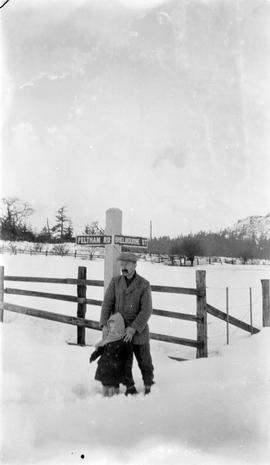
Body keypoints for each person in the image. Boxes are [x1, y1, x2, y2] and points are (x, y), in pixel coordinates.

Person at [100, 251, 154, 395]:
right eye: (122, 264)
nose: (124, 267)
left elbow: (147, 310)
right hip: (119, 329)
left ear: (135, 265)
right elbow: (107, 304)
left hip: (138, 330)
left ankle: (148, 385)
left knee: (144, 361)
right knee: (123, 362)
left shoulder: (143, 284)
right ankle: (130, 388)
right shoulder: (116, 282)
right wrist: (104, 325)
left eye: (127, 264)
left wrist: (133, 328)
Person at [90, 312, 134, 397]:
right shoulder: (108, 337)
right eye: (111, 327)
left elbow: (129, 356)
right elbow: (101, 348)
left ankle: (113, 401)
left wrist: (127, 367)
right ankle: (104, 397)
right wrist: (94, 355)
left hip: (116, 368)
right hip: (105, 366)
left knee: (114, 387)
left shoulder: (125, 340)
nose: (112, 329)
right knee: (105, 384)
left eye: (114, 327)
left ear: (120, 326)